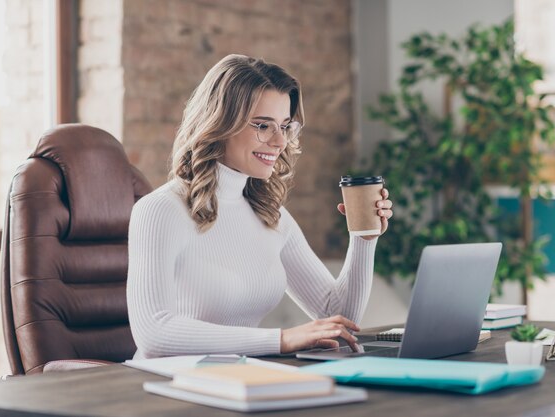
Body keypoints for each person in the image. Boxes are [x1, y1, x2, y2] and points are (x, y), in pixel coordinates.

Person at [126, 54, 393, 359]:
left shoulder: (270, 214)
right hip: (168, 389)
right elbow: (154, 334)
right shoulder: (159, 210)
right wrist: (280, 340)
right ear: (219, 123)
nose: (280, 141)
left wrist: (364, 237)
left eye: (285, 126)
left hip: (244, 380)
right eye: (263, 126)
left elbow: (337, 315)